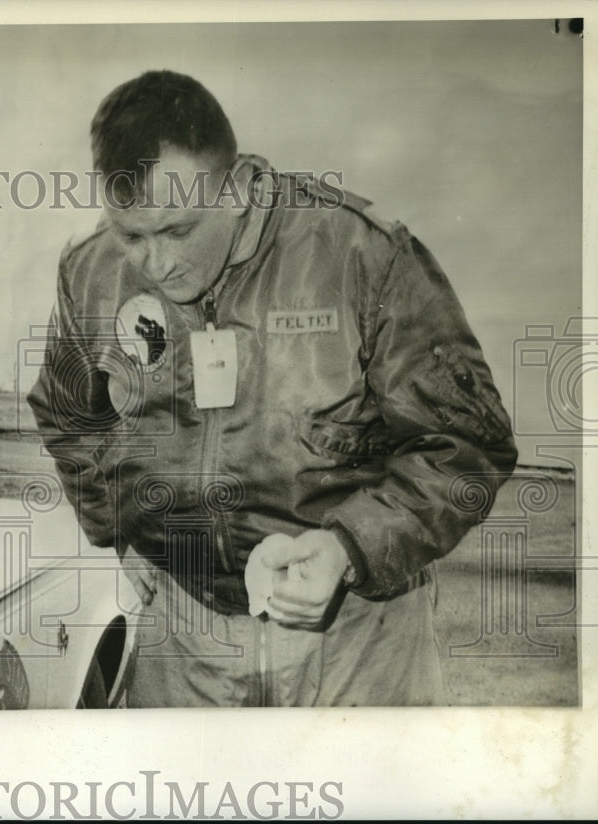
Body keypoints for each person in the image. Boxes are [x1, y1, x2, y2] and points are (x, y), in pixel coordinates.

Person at [27, 70, 517, 707]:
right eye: (131, 235)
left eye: (177, 231)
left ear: (234, 189)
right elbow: (67, 416)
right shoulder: (89, 271)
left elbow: (468, 445)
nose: (154, 263)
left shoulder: (360, 257)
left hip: (357, 637)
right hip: (186, 635)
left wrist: (350, 548)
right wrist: (125, 527)